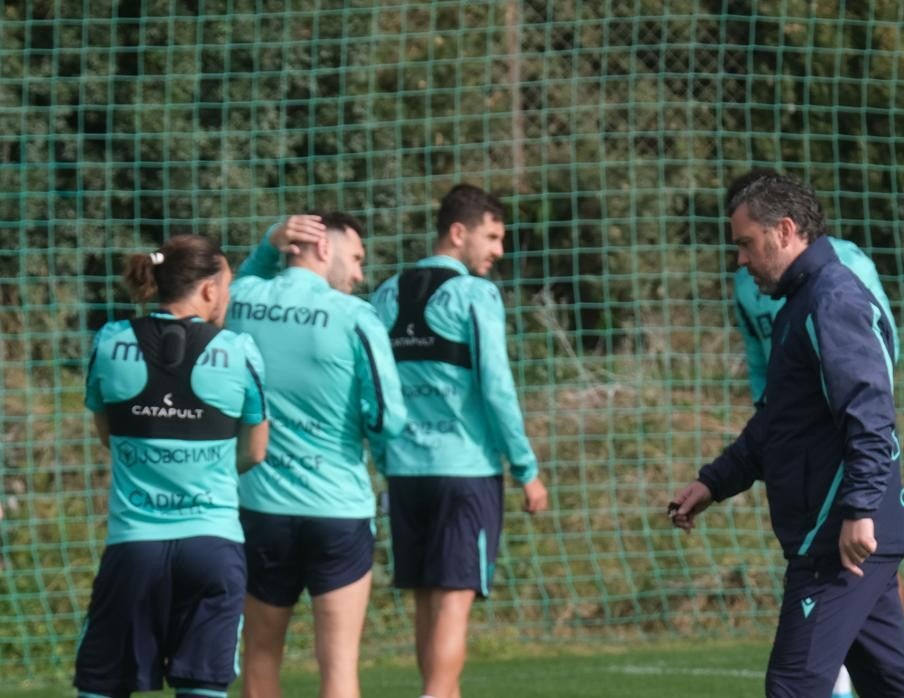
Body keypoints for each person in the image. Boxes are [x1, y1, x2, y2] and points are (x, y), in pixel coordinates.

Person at [670, 172, 904, 697]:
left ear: (784, 230)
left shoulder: (832, 301)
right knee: (887, 688)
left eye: (746, 243)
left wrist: (858, 510)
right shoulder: (798, 307)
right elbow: (778, 424)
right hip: (842, 529)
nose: (740, 260)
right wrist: (713, 483)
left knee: (793, 686)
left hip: (840, 537)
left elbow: (872, 415)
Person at [371, 184, 549, 698]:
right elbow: (496, 387)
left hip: (404, 473)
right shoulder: (474, 294)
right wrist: (526, 468)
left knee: (427, 598)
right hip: (464, 472)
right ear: (458, 232)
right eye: (491, 237)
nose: (498, 250)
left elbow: (376, 388)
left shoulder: (386, 293)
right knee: (454, 599)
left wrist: (385, 456)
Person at [75, 235, 269, 698]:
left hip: (134, 547)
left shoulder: (108, 342)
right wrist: (210, 468)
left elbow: (110, 436)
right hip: (213, 544)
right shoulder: (240, 351)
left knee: (101, 684)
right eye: (227, 285)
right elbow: (255, 451)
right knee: (202, 687)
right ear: (207, 289)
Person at [226, 212, 407, 698]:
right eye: (357, 259)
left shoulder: (242, 299)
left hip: (260, 508)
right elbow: (388, 418)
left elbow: (233, 286)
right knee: (340, 668)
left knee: (260, 656)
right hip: (336, 512)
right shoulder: (355, 316)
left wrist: (268, 245)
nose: (360, 275)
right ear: (324, 249)